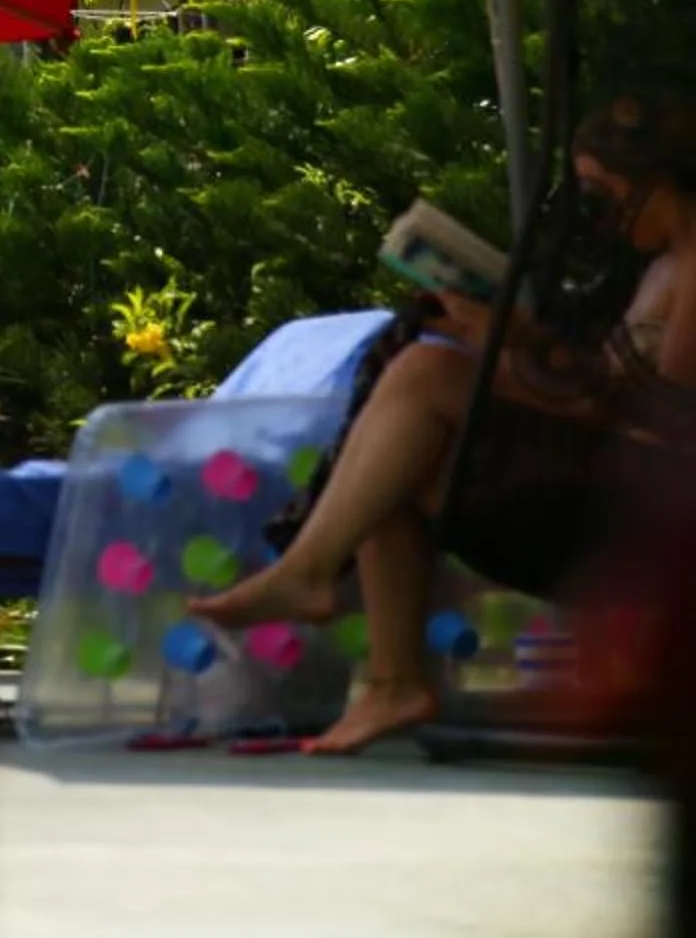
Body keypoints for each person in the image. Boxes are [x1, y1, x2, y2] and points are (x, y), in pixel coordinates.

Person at [194, 97, 696, 753]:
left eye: (599, 195)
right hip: (607, 474)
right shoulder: (663, 264)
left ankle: (311, 573)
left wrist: (512, 347)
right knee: (399, 439)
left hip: (643, 513)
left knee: (426, 379)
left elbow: (663, 417)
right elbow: (601, 393)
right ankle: (389, 681)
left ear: (647, 182)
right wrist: (512, 340)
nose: (595, 217)